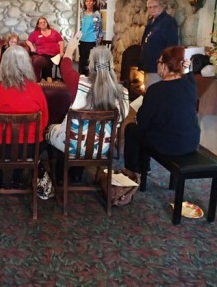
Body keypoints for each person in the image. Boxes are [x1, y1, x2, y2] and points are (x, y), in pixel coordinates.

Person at [46, 38, 129, 182]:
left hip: (73, 145)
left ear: (90, 64)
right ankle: (77, 173)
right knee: (91, 132)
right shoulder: (123, 93)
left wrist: (70, 49)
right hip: (103, 148)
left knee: (52, 129)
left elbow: (65, 67)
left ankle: (59, 175)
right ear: (111, 65)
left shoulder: (79, 83)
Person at [0, 45, 49, 188]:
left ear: (4, 64)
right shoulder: (36, 89)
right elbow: (44, 121)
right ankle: (18, 179)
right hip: (30, 148)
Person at [124, 46, 199, 174]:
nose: (157, 65)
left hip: (168, 145)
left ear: (164, 66)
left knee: (132, 129)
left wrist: (139, 116)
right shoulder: (190, 84)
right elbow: (187, 74)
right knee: (149, 128)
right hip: (191, 142)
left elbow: (142, 122)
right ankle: (144, 168)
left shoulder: (156, 89)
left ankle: (132, 171)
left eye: (158, 62)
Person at [139, 0, 179, 89]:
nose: (152, 9)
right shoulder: (151, 21)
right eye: (149, 7)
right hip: (148, 66)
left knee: (153, 94)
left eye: (155, 7)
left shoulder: (168, 22)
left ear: (162, 6)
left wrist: (163, 63)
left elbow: (172, 46)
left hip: (157, 68)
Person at [26, 17, 64, 82]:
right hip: (44, 53)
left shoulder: (54, 32)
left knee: (64, 62)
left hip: (56, 53)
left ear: (47, 23)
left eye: (44, 22)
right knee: (48, 59)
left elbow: (61, 42)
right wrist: (32, 47)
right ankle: (49, 78)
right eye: (41, 22)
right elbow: (28, 41)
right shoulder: (35, 33)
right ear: (38, 25)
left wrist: (61, 52)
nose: (43, 23)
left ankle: (64, 79)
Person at [78, 0, 103, 76]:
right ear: (85, 3)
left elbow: (99, 30)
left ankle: (90, 79)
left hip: (92, 41)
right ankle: (81, 78)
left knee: (90, 61)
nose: (88, 3)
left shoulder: (97, 14)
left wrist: (98, 42)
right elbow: (81, 28)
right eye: (87, 1)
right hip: (82, 40)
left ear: (94, 2)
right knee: (82, 60)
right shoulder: (82, 14)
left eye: (90, 1)